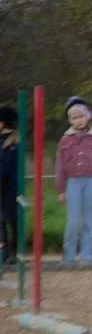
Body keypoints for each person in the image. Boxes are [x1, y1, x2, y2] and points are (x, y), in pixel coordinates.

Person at [56, 97, 92, 262]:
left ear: (88, 116)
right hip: (73, 182)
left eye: (81, 116)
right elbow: (60, 166)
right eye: (74, 118)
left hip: (91, 182)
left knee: (88, 220)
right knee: (73, 222)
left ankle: (87, 256)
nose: (78, 121)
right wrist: (61, 189)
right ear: (70, 120)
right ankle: (69, 256)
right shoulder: (65, 140)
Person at [0, 105, 18, 265]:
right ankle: (4, 252)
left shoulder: (14, 142)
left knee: (11, 219)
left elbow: (7, 167)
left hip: (10, 188)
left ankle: (14, 252)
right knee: (1, 221)